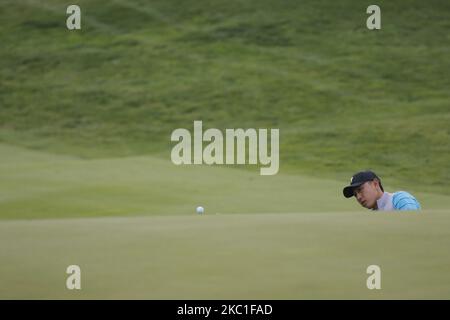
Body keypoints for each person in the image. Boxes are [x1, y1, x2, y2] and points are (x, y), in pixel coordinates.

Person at [342, 170, 421, 211]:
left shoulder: (400, 199)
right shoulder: (371, 218)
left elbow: (414, 225)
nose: (358, 197)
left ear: (375, 184)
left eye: (360, 190)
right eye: (355, 195)